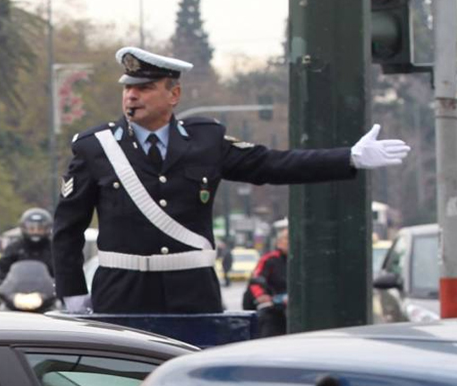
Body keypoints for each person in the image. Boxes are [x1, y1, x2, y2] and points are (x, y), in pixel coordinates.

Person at [53, 46, 410, 315]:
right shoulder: (95, 147)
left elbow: (272, 165)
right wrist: (72, 293)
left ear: (173, 95)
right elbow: (67, 228)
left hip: (192, 290)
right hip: (121, 290)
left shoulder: (206, 140)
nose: (132, 95)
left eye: (145, 87)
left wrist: (348, 157)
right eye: (129, 88)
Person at [0, 208, 55, 281]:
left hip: (50, 290)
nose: (35, 232)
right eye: (31, 229)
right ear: (23, 228)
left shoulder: (55, 248)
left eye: (40, 229)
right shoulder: (14, 247)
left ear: (47, 228)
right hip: (17, 290)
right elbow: (0, 268)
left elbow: (66, 268)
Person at [249, 226, 289, 338]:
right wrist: (262, 296)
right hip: (274, 308)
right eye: (287, 238)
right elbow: (256, 280)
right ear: (279, 242)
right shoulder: (269, 259)